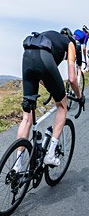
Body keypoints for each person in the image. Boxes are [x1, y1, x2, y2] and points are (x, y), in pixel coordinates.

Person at [17, 28, 85, 166]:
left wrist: (50, 87)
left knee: (27, 117)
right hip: (43, 57)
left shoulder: (50, 38)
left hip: (27, 56)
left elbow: (43, 75)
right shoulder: (70, 43)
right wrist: (79, 96)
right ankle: (51, 155)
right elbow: (72, 79)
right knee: (62, 106)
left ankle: (17, 166)